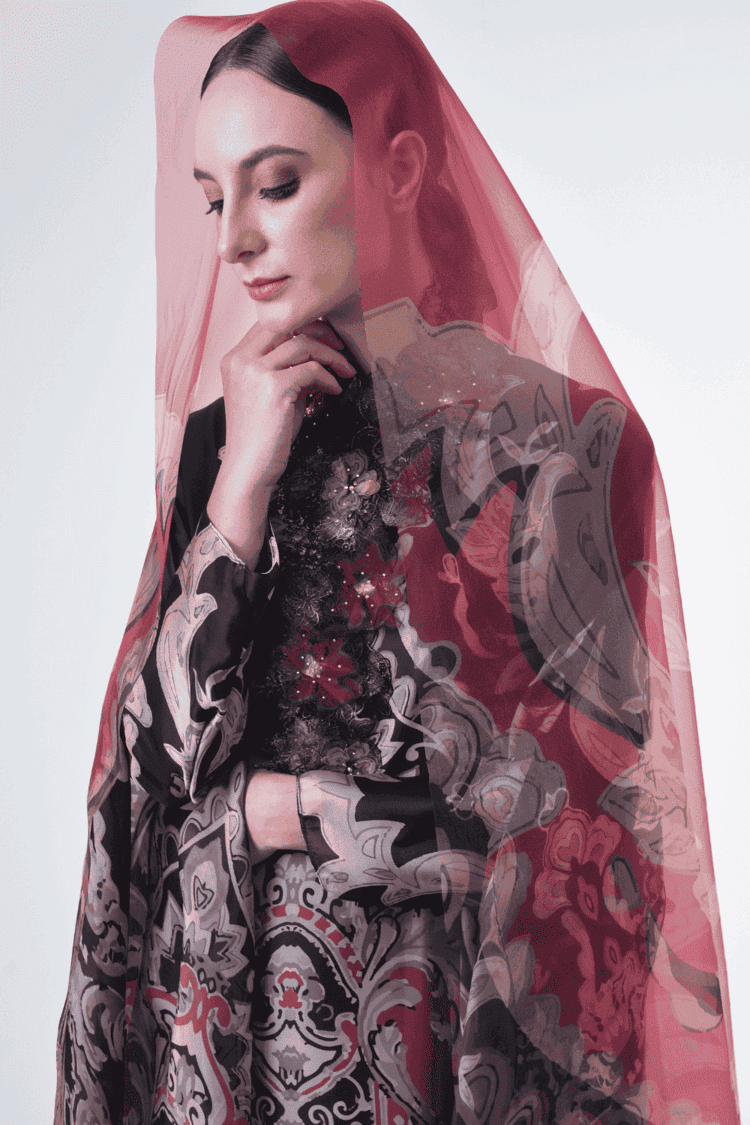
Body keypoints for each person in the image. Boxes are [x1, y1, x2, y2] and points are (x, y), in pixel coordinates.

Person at [55, 3, 740, 1123]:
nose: (233, 242)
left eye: (277, 185)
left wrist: (287, 808)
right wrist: (239, 494)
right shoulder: (223, 446)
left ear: (402, 166)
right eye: (215, 199)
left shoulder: (565, 444)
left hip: (446, 1042)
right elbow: (155, 780)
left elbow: (593, 838)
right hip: (224, 1037)